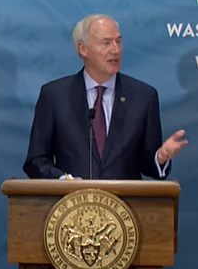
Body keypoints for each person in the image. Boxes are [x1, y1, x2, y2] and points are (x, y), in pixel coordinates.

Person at [23, 14, 186, 180]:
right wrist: (64, 181)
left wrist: (160, 157)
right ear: (83, 49)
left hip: (125, 204)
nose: (115, 50)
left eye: (118, 41)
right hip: (71, 203)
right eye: (106, 43)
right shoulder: (54, 96)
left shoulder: (143, 96)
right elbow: (36, 161)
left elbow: (148, 165)